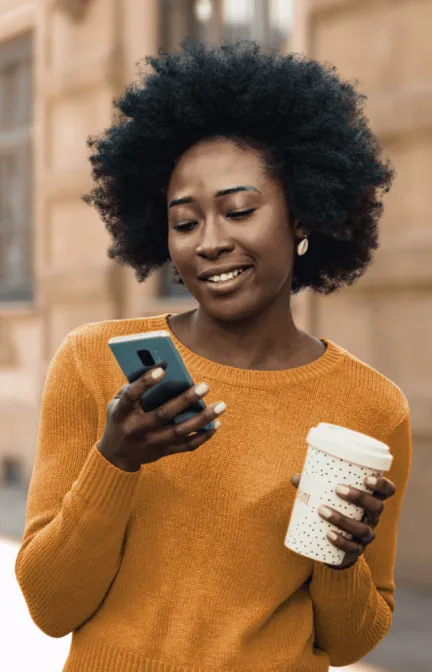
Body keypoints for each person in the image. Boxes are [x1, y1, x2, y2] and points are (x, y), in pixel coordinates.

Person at [15, 39, 411, 672]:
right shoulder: (96, 363)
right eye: (185, 222)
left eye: (240, 211)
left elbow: (350, 643)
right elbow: (50, 606)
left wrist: (341, 559)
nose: (211, 243)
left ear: (303, 217)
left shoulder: (370, 405)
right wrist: (115, 461)